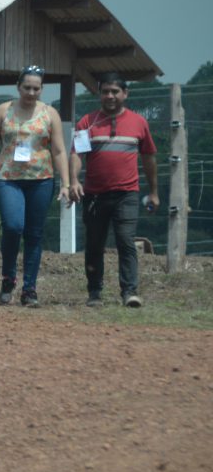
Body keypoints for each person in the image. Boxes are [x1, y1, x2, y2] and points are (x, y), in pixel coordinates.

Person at [0, 65, 69, 307]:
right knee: (13, 226)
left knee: (34, 234)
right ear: (18, 87)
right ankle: (8, 278)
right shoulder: (3, 111)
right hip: (7, 177)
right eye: (27, 87)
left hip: (41, 179)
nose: (31, 93)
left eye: (36, 88)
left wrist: (66, 183)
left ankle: (29, 289)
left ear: (42, 89)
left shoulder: (50, 114)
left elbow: (59, 150)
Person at [69, 72, 159, 308]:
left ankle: (129, 292)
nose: (110, 96)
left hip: (127, 194)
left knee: (126, 241)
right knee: (94, 244)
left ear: (125, 94)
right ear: (100, 94)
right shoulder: (87, 122)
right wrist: (74, 181)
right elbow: (77, 154)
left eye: (115, 92)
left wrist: (154, 192)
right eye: (105, 92)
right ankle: (94, 293)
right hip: (94, 194)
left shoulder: (139, 123)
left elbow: (149, 158)